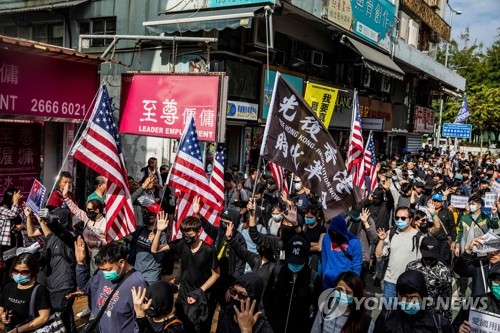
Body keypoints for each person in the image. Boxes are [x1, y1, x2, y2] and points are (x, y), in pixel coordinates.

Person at [151, 213, 220, 333]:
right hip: (183, 295)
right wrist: (159, 231)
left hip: (200, 297)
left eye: (190, 235)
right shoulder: (182, 244)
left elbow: (216, 274)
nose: (186, 237)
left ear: (199, 232)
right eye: (184, 234)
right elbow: (155, 249)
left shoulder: (208, 251)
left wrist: (199, 292)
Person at [75, 238, 148, 333]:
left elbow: (140, 320)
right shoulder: (101, 274)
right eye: (102, 270)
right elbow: (85, 288)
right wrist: (80, 263)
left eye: (108, 270)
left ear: (121, 263)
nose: (105, 274)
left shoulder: (138, 283)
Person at [25, 207, 77, 333]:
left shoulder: (69, 237)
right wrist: (29, 216)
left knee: (60, 316)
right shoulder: (50, 235)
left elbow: (61, 231)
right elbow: (34, 233)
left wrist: (50, 219)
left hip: (63, 285)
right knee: (64, 317)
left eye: (55, 218)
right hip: (49, 284)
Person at [266, 234, 322, 333]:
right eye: (292, 262)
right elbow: (267, 298)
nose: (295, 266)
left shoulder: (313, 279)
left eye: (299, 263)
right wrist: (273, 321)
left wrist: (308, 327)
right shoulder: (278, 273)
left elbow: (318, 308)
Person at [373, 270, 453, 333]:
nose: (409, 302)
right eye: (404, 297)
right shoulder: (386, 319)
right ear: (398, 296)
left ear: (423, 297)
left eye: (413, 298)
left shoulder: (439, 324)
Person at [375, 206, 423, 300]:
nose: (399, 220)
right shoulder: (391, 233)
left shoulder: (419, 237)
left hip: (409, 283)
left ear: (411, 220)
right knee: (388, 312)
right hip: (390, 281)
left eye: (403, 218)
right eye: (397, 218)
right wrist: (381, 240)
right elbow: (378, 255)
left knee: (405, 312)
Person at [0, 253, 51, 333]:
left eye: (24, 272)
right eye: (15, 271)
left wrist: (18, 330)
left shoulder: (40, 290)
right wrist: (2, 317)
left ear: (33, 272)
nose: (19, 275)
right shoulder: (8, 288)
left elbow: (44, 317)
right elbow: (1, 308)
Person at [405, 236, 452, 320]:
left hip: (434, 317)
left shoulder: (444, 271)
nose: (429, 261)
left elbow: (446, 297)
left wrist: (447, 320)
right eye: (426, 257)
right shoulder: (411, 267)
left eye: (432, 257)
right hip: (413, 313)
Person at [452, 262, 500, 333]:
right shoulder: (474, 302)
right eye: (496, 280)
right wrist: (459, 329)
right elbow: (453, 327)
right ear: (490, 282)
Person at [128, 205, 167, 285]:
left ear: (158, 218)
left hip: (151, 276)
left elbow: (160, 258)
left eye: (150, 214)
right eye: (145, 212)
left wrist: (154, 242)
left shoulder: (161, 236)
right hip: (136, 272)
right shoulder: (140, 229)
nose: (146, 215)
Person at [322, 215, 362, 289]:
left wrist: (352, 284)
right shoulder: (326, 237)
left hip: (344, 284)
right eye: (332, 232)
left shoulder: (354, 242)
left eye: (337, 232)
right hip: (328, 282)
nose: (334, 235)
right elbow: (324, 259)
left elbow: (356, 266)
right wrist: (324, 276)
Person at [346, 206, 377, 284]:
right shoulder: (349, 219)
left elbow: (374, 237)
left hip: (362, 258)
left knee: (358, 283)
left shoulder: (368, 220)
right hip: (348, 255)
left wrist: (365, 222)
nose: (354, 215)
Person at [0, 187, 23, 289]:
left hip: (15, 242)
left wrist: (21, 226)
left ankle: (11, 288)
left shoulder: (14, 207)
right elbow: (13, 215)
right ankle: (4, 290)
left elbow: (23, 219)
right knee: (5, 269)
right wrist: (15, 201)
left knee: (13, 267)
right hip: (4, 245)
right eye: (16, 195)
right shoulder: (2, 208)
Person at [427, 193, 456, 265]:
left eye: (438, 201)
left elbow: (452, 227)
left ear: (442, 203)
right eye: (434, 201)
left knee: (442, 261)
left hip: (444, 241)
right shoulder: (427, 211)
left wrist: (454, 241)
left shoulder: (447, 212)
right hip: (432, 240)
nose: (436, 203)